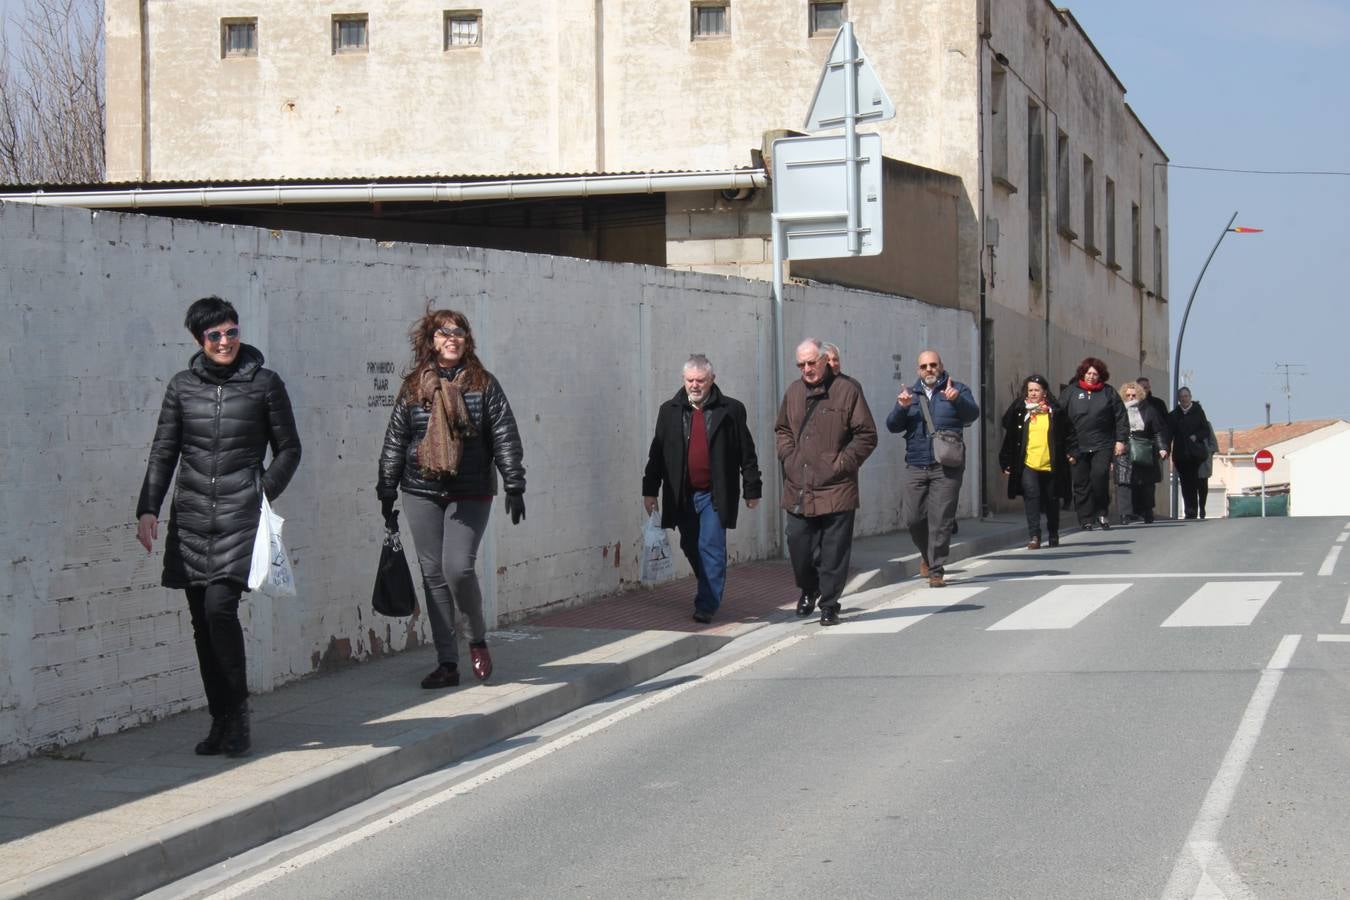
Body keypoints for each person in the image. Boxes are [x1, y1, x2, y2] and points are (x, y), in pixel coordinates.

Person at [136, 296, 302, 758]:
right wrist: (147, 508)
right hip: (190, 519)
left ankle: (239, 716)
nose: (225, 341)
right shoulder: (181, 387)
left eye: (231, 331)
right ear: (199, 340)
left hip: (239, 518)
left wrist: (260, 491)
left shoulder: (265, 384)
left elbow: (289, 449)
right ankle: (220, 719)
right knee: (200, 624)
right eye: (215, 335)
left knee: (218, 611)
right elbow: (163, 452)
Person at [377, 309, 526, 689]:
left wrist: (514, 484)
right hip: (420, 489)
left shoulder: (483, 384)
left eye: (458, 332)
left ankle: (476, 639)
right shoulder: (414, 386)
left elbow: (504, 435)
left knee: (457, 568)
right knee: (433, 576)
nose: (452, 339)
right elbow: (396, 439)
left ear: (467, 339)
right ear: (431, 341)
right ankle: (447, 662)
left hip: (470, 489)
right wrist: (387, 487)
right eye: (444, 333)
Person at [642, 355, 762, 624]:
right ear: (684, 380)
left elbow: (747, 453)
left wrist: (752, 488)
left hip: (714, 494)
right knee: (690, 544)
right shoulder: (669, 410)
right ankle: (709, 581)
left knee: (711, 545)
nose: (695, 385)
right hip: (682, 494)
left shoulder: (730, 410)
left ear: (712, 380)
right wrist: (650, 490)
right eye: (690, 380)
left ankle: (706, 603)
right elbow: (657, 454)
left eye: (701, 380)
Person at [775, 338, 877, 626]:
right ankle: (809, 587)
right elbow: (782, 428)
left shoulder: (847, 390)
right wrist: (788, 456)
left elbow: (867, 434)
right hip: (799, 484)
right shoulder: (794, 392)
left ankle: (830, 604)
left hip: (837, 486)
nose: (807, 369)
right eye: (801, 364)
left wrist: (842, 463)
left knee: (833, 551)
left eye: (811, 363)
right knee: (798, 544)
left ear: (824, 361)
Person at [886, 349, 980, 585]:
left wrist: (956, 399)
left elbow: (973, 414)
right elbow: (892, 426)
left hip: (947, 463)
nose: (929, 369)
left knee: (941, 518)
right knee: (914, 518)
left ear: (941, 365)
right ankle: (927, 557)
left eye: (933, 365)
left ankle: (936, 569)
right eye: (924, 366)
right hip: (916, 462)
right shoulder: (910, 394)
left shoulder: (957, 388)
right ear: (918, 370)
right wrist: (901, 408)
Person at [999, 375, 1071, 549]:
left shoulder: (1055, 411)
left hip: (1050, 463)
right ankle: (1034, 536)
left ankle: (1053, 533)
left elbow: (1069, 433)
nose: (1033, 393)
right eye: (1030, 390)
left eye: (1036, 390)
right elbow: (1008, 430)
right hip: (1028, 463)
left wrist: (1072, 452)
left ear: (1044, 392)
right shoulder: (1021, 411)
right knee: (1032, 496)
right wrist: (1006, 461)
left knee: (1051, 499)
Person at [1061, 357, 1128, 531]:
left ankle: (1101, 512)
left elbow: (1121, 417)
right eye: (1088, 373)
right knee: (1081, 483)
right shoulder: (1071, 392)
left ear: (1101, 375)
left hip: (1102, 444)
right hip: (1077, 446)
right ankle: (1086, 519)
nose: (1091, 376)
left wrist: (1120, 440)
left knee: (1099, 477)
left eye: (1095, 374)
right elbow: (1060, 416)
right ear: (1083, 374)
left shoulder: (1108, 392)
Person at [1115, 382, 1169, 525]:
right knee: (1123, 481)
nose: (1131, 398)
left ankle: (1147, 511)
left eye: (1134, 395)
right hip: (1124, 449)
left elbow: (1158, 430)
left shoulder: (1149, 410)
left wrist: (1162, 448)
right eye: (1128, 395)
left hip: (1144, 448)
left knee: (1146, 483)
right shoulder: (1117, 410)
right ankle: (1125, 514)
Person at [1169, 387, 1218, 519]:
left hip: (1196, 454)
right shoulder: (1174, 415)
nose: (1184, 398)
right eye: (1182, 396)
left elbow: (1205, 430)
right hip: (1181, 455)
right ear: (1178, 399)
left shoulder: (1198, 412)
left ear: (1190, 397)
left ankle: (1196, 509)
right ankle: (1189, 511)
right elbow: (1169, 434)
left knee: (1196, 482)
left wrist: (1196, 436)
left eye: (1186, 396)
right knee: (1185, 484)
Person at [1133, 376, 1172, 524]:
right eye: (1141, 387)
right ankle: (1135, 510)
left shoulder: (1157, 404)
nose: (1144, 390)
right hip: (1133, 448)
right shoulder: (1129, 404)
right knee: (1133, 481)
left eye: (1147, 388)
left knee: (1149, 482)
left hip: (1151, 448)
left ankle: (1148, 510)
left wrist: (1164, 446)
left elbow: (1163, 428)